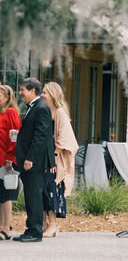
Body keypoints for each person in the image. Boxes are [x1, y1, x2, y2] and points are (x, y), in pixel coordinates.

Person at [14, 77, 54, 243]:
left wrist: (30, 158)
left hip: (34, 161)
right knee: (30, 196)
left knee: (34, 196)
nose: (21, 92)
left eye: (23, 89)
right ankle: (30, 229)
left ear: (32, 91)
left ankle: (35, 231)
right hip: (27, 160)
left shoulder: (41, 108)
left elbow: (40, 136)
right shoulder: (34, 107)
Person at [41, 83, 78, 237]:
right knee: (42, 189)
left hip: (54, 159)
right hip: (44, 158)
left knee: (51, 190)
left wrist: (54, 158)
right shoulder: (45, 112)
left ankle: (54, 224)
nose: (42, 95)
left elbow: (65, 137)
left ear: (53, 94)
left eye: (45, 92)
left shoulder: (60, 113)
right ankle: (44, 223)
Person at [0, 84, 23, 240]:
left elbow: (14, 138)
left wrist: (10, 158)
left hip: (6, 160)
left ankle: (6, 228)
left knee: (6, 195)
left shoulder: (11, 112)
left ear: (8, 97)